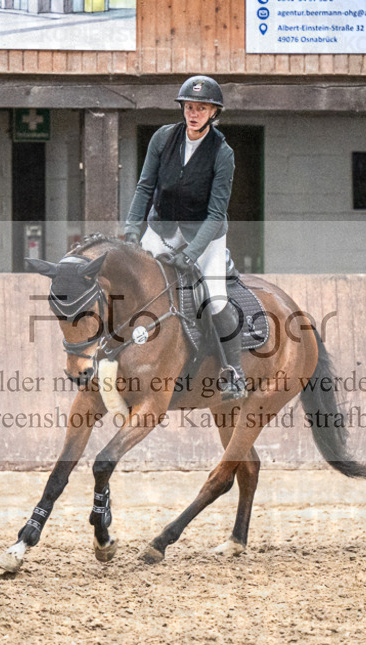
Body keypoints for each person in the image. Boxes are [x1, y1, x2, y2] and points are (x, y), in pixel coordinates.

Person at [122, 75, 247, 401]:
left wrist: (191, 253)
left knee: (216, 297)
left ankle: (233, 372)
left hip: (205, 237)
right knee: (132, 281)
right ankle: (111, 353)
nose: (193, 113)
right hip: (162, 229)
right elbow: (145, 187)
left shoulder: (223, 153)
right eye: (189, 107)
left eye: (201, 108)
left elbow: (216, 213)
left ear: (213, 112)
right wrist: (132, 228)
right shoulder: (163, 138)